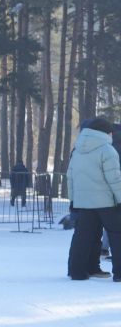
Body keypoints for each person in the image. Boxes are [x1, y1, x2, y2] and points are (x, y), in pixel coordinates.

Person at [66, 118, 121, 281]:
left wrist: (73, 200)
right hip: (107, 203)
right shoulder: (107, 150)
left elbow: (70, 177)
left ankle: (77, 271)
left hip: (84, 202)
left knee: (82, 237)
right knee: (117, 234)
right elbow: (115, 179)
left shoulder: (77, 150)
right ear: (105, 132)